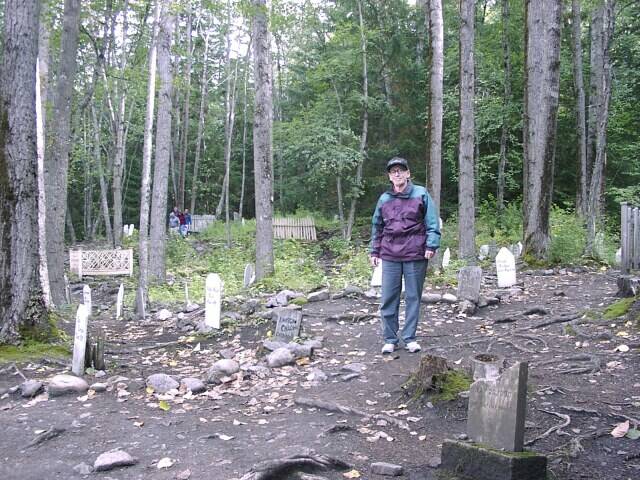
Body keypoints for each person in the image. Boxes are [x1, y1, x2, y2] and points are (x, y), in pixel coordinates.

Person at [369, 157, 441, 354]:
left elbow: (432, 222)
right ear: (390, 177)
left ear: (408, 174)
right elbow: (377, 226)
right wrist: (374, 250)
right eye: (393, 171)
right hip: (390, 254)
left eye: (401, 170)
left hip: (415, 253)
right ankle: (390, 339)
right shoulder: (384, 199)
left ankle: (409, 337)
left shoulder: (421, 194)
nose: (397, 173)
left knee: (413, 297)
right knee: (388, 297)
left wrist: (431, 245)